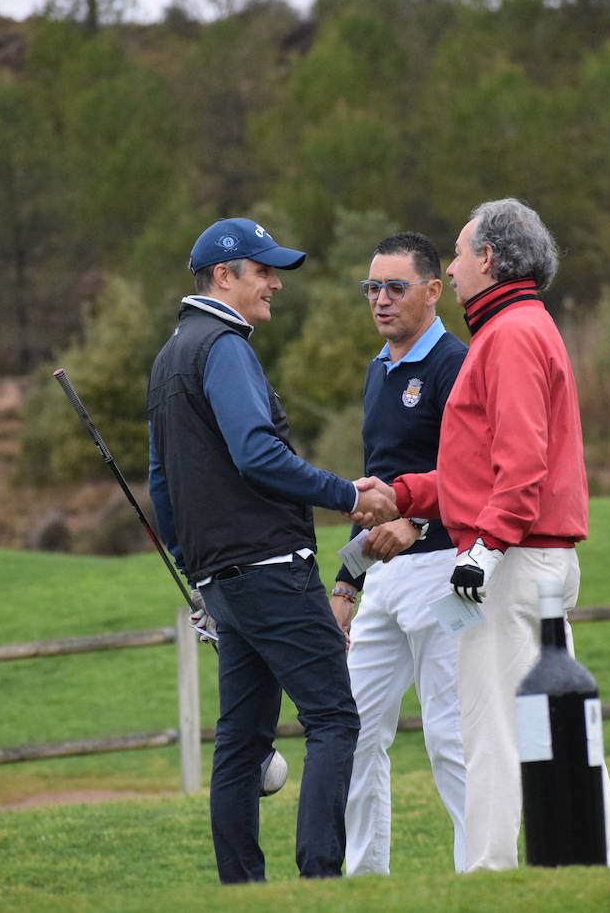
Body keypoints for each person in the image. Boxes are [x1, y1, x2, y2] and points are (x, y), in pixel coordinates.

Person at [146, 216, 398, 885]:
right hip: (268, 569)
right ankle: (319, 882)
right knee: (335, 719)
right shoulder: (224, 347)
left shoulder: (170, 355)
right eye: (263, 272)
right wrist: (346, 494)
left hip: (224, 583)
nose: (275, 285)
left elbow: (160, 484)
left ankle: (243, 892)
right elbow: (257, 454)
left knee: (242, 742)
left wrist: (193, 569)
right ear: (224, 277)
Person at [387, 198, 610, 872]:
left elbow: (521, 466)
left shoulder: (511, 334)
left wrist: (485, 552)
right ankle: (606, 864)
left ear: (489, 259)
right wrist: (405, 494)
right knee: (557, 727)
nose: (455, 266)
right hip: (527, 557)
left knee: (491, 726)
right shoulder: (518, 327)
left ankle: (490, 871)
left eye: (461, 253)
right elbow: (482, 469)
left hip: (512, 560)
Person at [328, 232, 469, 876]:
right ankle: (365, 879)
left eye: (394, 287)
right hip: (383, 581)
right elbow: (374, 489)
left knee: (451, 736)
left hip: (446, 570)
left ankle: (483, 870)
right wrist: (346, 582)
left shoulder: (454, 365)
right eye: (371, 288)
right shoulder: (376, 369)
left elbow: (472, 475)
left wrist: (416, 523)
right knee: (353, 732)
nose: (380, 301)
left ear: (433, 291)